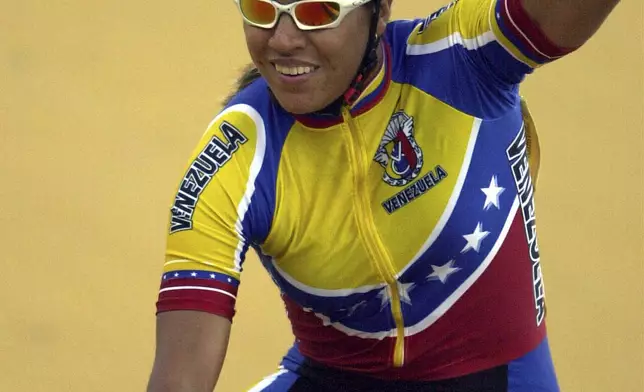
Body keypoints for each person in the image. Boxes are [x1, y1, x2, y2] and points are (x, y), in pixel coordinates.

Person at [146, 0, 620, 390]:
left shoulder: (463, 59)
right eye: (261, 9)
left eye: (316, 11)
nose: (282, 39)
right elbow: (180, 376)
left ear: (380, 10)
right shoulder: (238, 150)